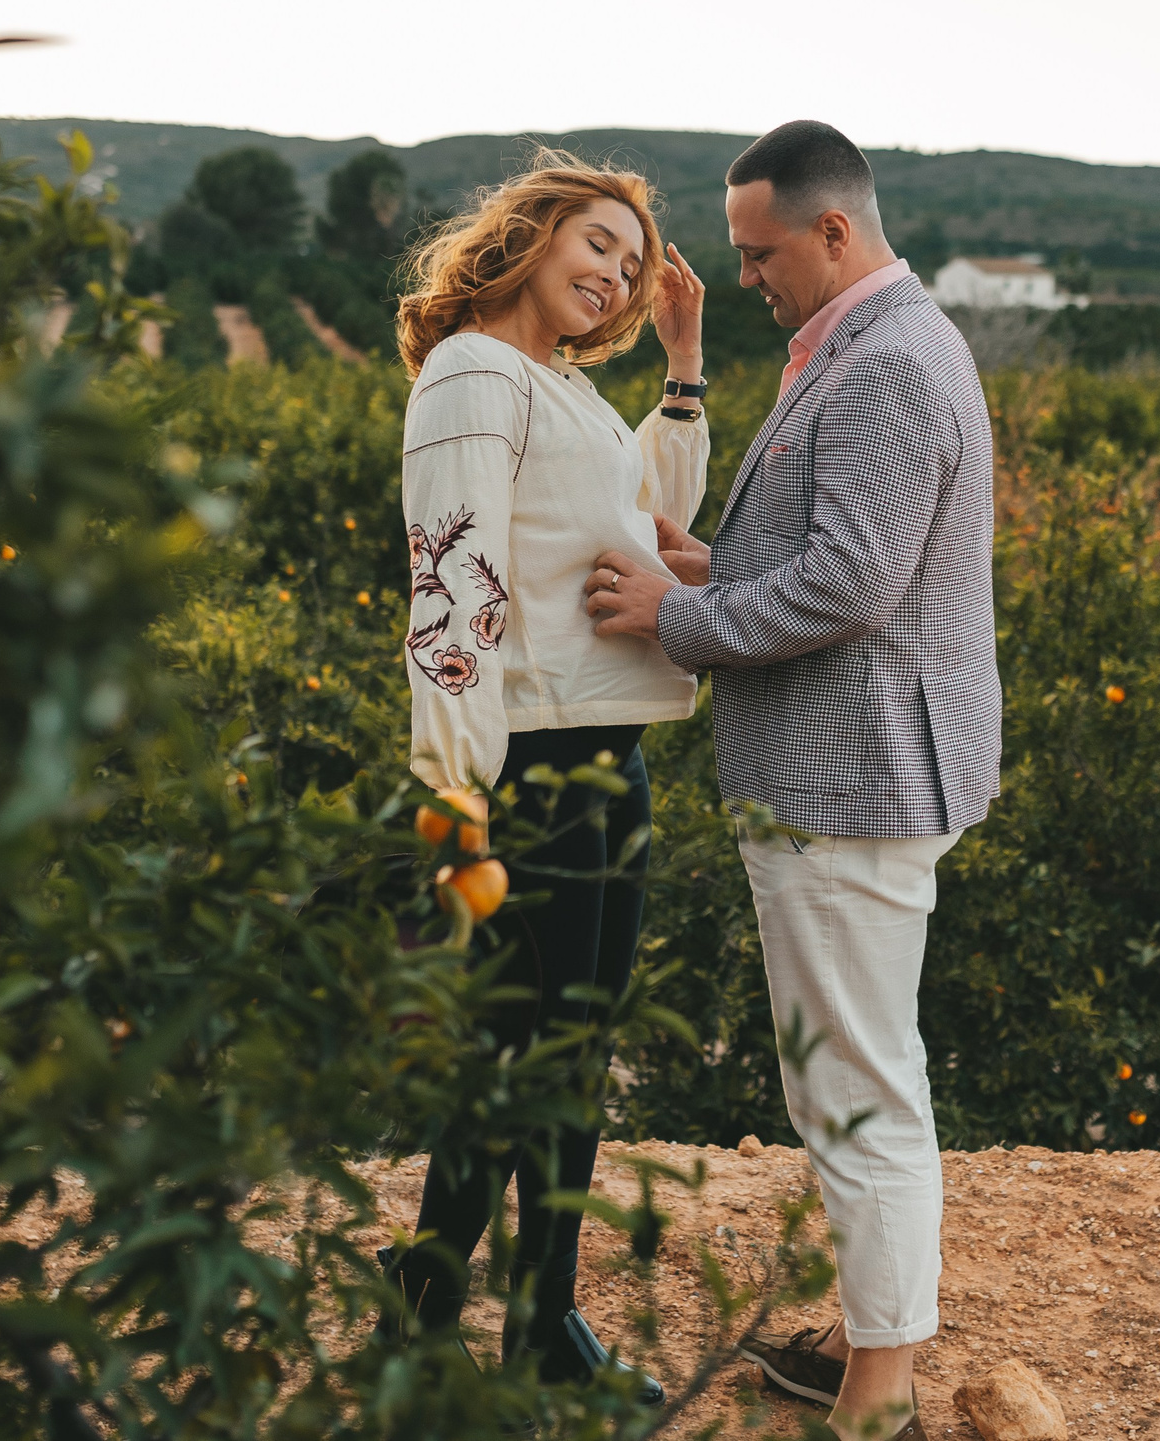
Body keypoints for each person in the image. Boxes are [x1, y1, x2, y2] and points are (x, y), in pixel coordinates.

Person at [586, 120, 999, 1441]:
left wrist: (672, 617)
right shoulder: (875, 343)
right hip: (857, 764)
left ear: (834, 231)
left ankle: (882, 1386)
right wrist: (701, 563)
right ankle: (870, 1337)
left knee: (858, 1082)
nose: (746, 274)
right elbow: (834, 553)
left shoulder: (886, 366)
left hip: (847, 779)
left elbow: (844, 584)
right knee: (854, 1069)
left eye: (763, 251)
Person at [382, 152, 709, 1403]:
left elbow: (650, 527)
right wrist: (454, 803)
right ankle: (523, 1327)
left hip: (599, 758)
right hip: (531, 770)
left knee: (549, 1051)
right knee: (539, 1054)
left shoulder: (557, 385)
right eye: (597, 243)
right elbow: (449, 596)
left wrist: (679, 363)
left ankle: (465, 1318)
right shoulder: (472, 372)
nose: (616, 272)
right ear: (528, 234)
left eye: (630, 262)